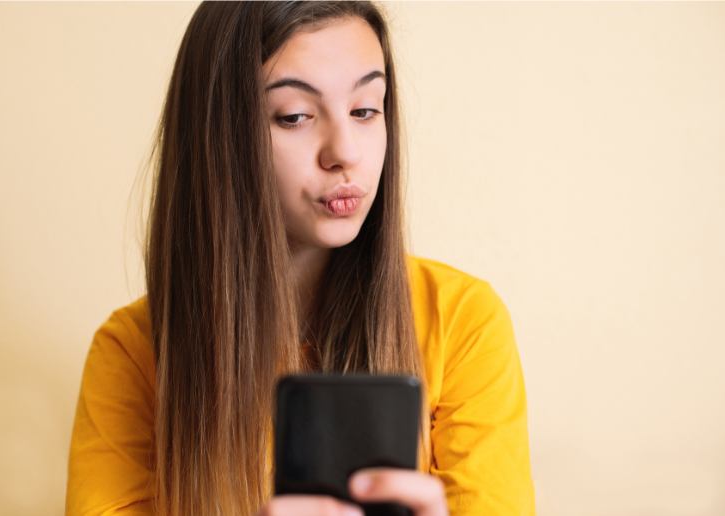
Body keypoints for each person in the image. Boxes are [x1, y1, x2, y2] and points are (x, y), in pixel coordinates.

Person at [66, 2, 535, 516]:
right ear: (218, 138)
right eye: (294, 116)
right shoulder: (133, 355)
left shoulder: (464, 320)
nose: (345, 150)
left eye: (364, 110)